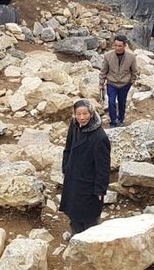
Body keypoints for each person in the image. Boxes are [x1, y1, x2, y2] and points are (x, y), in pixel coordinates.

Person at [59, 99, 111, 236]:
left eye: (85, 114)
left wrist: (100, 189)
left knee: (89, 218)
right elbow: (68, 147)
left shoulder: (100, 137)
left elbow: (103, 166)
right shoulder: (75, 125)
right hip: (72, 178)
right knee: (73, 213)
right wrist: (66, 167)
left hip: (89, 182)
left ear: (91, 113)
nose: (82, 117)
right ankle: (76, 238)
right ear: (74, 114)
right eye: (78, 114)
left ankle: (89, 245)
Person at [99, 34, 138, 127]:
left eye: (119, 46)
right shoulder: (107, 56)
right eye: (115, 45)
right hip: (111, 83)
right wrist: (101, 82)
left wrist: (131, 82)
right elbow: (103, 70)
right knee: (111, 102)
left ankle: (120, 119)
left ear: (125, 46)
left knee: (122, 103)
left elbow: (134, 71)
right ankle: (113, 122)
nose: (117, 48)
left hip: (125, 84)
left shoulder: (131, 57)